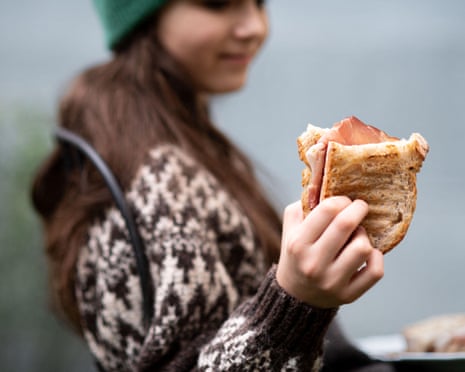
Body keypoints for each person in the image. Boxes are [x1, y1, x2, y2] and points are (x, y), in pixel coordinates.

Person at [31, 0, 395, 371]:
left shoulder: (168, 134)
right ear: (144, 16)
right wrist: (295, 303)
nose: (254, 27)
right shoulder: (154, 177)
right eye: (219, 4)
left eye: (258, 3)